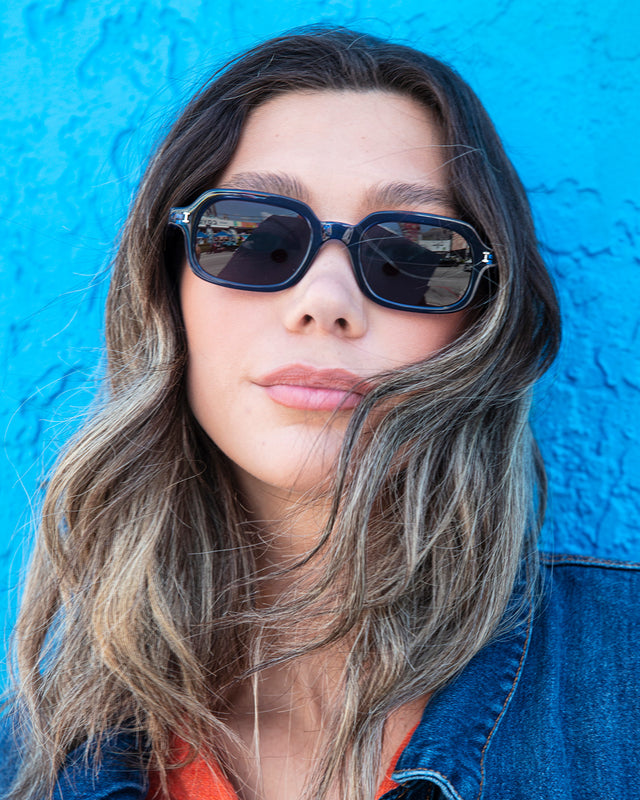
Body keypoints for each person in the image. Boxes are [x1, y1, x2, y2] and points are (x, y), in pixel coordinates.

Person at [1, 25, 638, 800]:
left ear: (482, 321)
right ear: (168, 292)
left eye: (413, 253)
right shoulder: (27, 764)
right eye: (255, 235)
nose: (325, 302)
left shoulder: (624, 679)